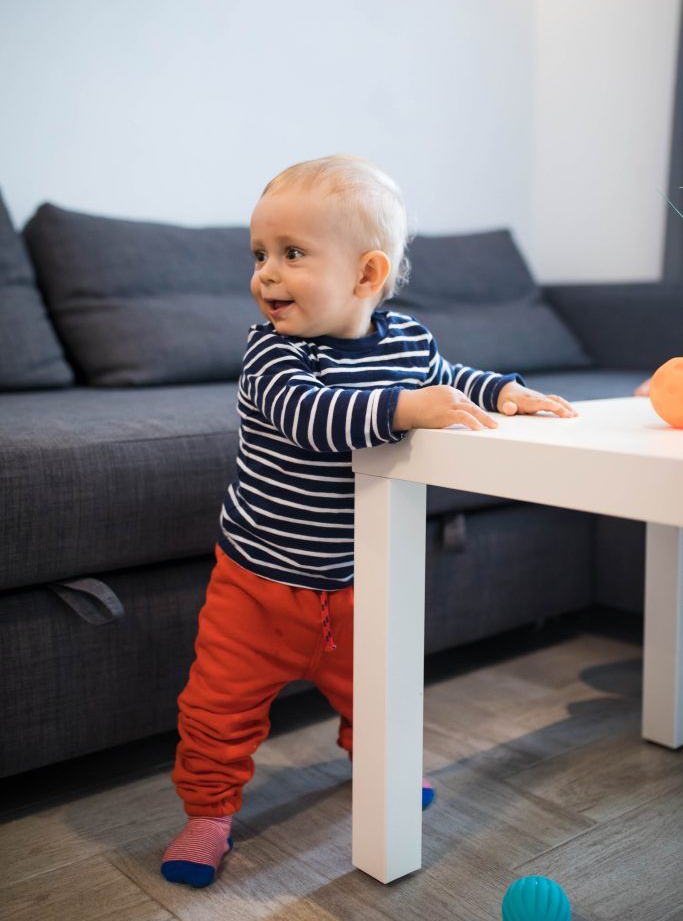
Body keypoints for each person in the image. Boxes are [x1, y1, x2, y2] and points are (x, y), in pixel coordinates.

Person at [160, 154, 579, 887]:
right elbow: (311, 418)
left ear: (365, 274)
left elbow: (448, 379)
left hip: (359, 583)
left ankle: (378, 772)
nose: (265, 273)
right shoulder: (272, 353)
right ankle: (208, 810)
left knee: (379, 696)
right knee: (216, 709)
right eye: (259, 254)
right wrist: (401, 410)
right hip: (257, 585)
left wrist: (506, 392)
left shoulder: (407, 342)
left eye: (291, 254)